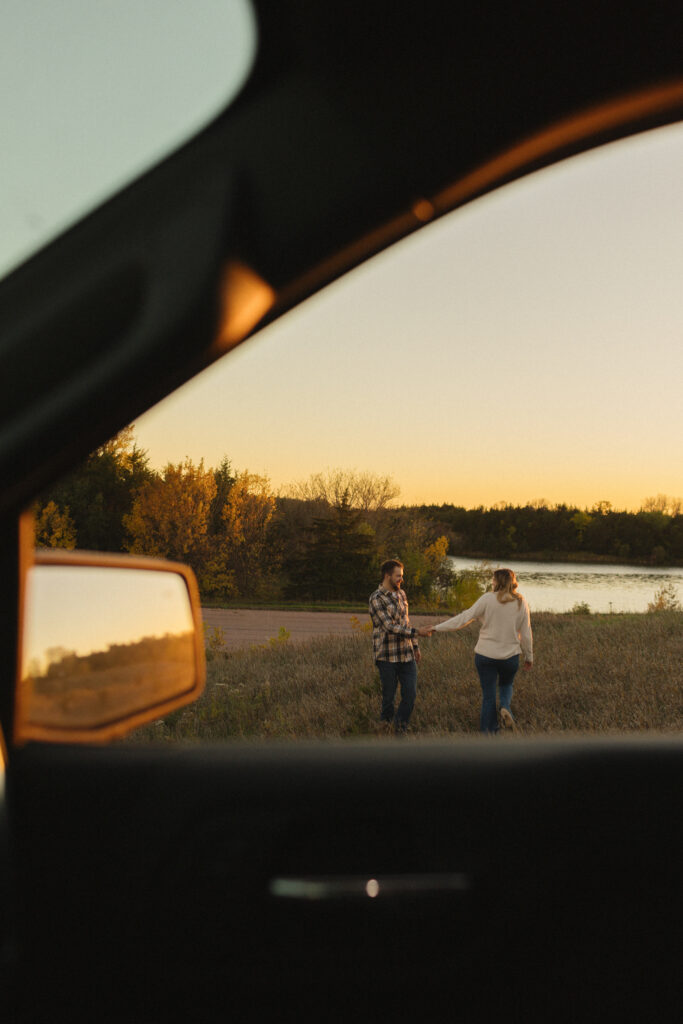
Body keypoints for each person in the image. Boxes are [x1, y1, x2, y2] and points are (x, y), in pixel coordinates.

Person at [433, 567, 533, 734]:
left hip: (486, 655)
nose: (491, 582)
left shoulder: (487, 599)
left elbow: (464, 618)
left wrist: (436, 627)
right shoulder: (520, 601)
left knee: (488, 695)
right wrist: (529, 656)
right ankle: (505, 707)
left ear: (497, 582)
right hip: (510, 657)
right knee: (506, 684)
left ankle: (488, 734)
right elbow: (526, 632)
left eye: (493, 579)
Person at [369, 559, 433, 733]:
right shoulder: (376, 598)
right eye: (398, 576)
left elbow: (406, 622)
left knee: (410, 694)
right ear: (387, 576)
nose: (401, 580)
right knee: (388, 698)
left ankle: (399, 729)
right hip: (386, 656)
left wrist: (416, 646)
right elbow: (389, 627)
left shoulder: (402, 594)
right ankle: (385, 728)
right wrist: (418, 632)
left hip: (406, 654)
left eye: (402, 576)